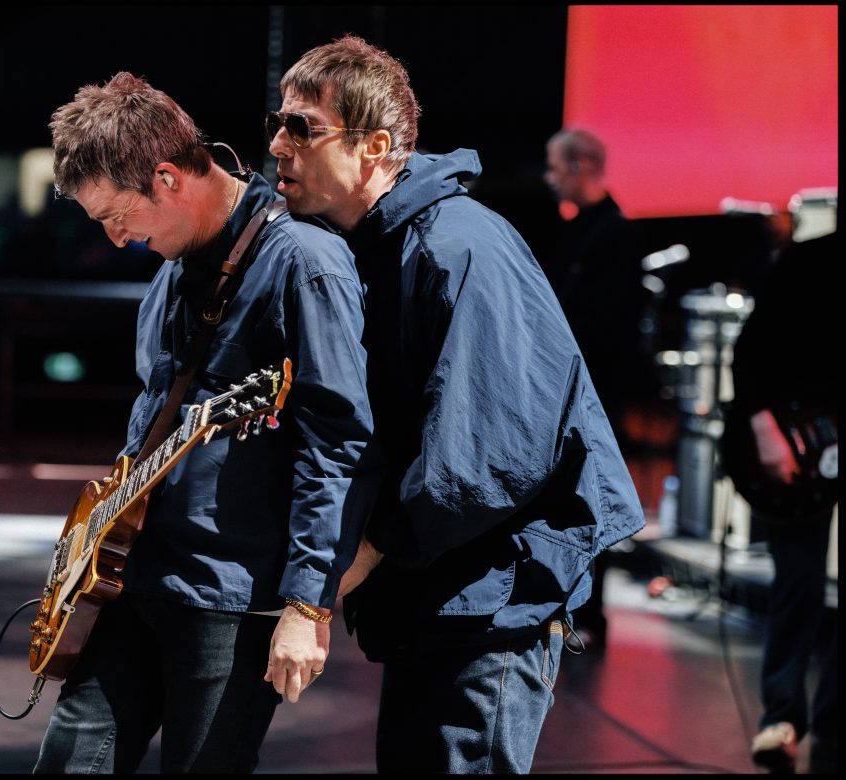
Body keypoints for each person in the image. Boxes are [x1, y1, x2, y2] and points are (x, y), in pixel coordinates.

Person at [268, 36, 645, 773]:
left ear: (375, 148)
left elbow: (486, 462)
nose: (279, 144)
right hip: (441, 593)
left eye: (302, 127)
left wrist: (342, 570)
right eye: (277, 124)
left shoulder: (459, 246)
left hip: (491, 601)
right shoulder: (379, 247)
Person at [34, 72, 379, 773]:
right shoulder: (173, 268)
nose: (116, 238)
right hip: (134, 577)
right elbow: (150, 422)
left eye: (115, 215)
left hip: (228, 598)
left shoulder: (304, 263)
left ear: (167, 178)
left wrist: (308, 605)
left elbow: (338, 445)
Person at [728, 220, 838, 774]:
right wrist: (764, 425)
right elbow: (750, 351)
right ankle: (781, 717)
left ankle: (834, 727)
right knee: (799, 579)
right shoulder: (809, 260)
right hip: (798, 439)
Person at [542, 127, 652, 654]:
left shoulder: (615, 236)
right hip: (572, 390)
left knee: (589, 499)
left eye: (554, 167)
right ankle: (566, 607)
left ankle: (588, 613)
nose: (549, 178)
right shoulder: (579, 232)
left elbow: (604, 327)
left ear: (580, 166)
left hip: (594, 394)